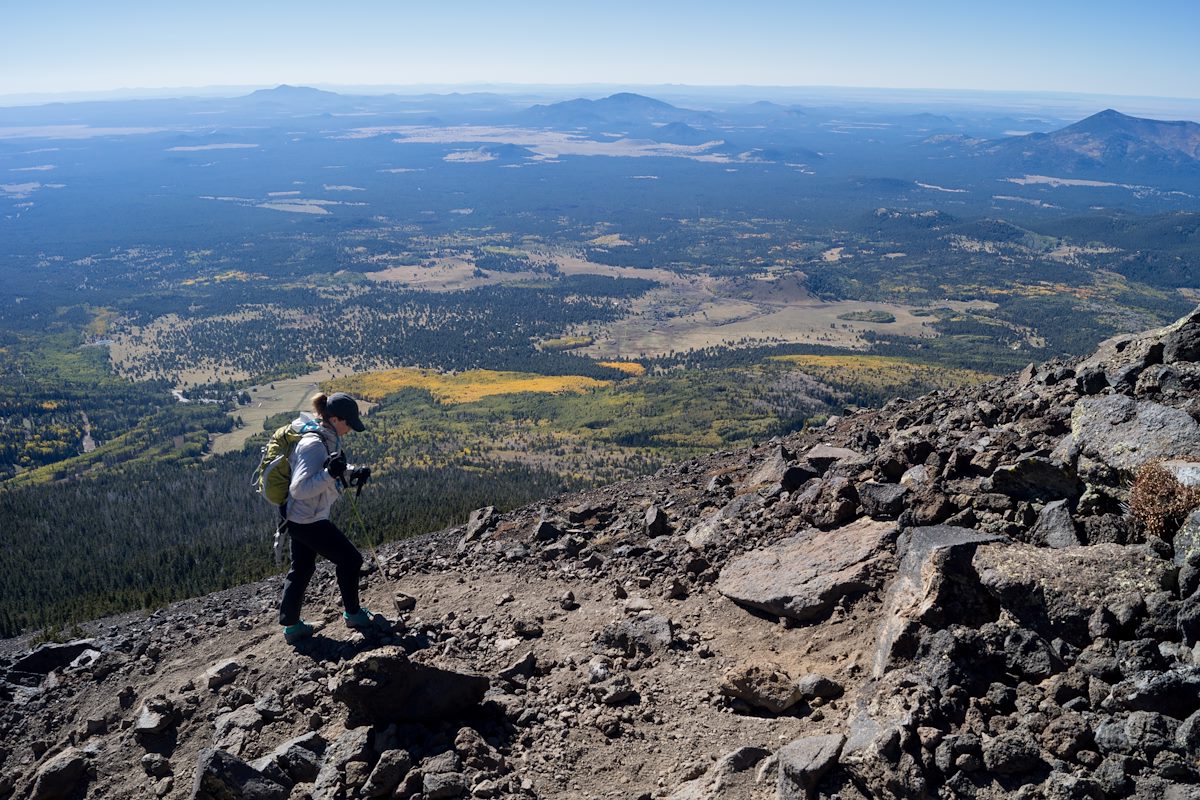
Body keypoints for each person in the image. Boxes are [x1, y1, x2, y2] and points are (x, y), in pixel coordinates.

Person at [278, 391, 389, 644]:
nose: (349, 429)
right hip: (308, 519)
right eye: (348, 423)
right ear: (336, 419)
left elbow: (328, 468)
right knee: (351, 560)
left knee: (303, 567)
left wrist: (352, 472)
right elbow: (300, 488)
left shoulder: (324, 438)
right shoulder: (313, 443)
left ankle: (292, 627)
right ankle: (353, 614)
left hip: (298, 518)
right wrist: (331, 474)